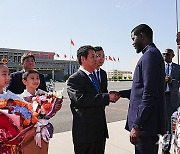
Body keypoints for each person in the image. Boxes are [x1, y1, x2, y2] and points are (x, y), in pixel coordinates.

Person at [117, 24, 166, 154]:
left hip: (146, 127)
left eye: (133, 39)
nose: (132, 43)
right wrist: (120, 94)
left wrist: (137, 124)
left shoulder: (150, 56)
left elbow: (149, 94)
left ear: (142, 36)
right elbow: (141, 89)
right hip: (148, 126)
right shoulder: (152, 54)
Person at [67, 45, 119, 154]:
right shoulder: (74, 79)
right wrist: (106, 97)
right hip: (85, 134)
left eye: (97, 56)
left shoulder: (96, 77)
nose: (96, 59)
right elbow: (81, 99)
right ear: (83, 59)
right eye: (93, 56)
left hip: (99, 131)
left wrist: (108, 98)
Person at [19, 69, 62, 154]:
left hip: (43, 133)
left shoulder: (44, 96)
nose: (36, 80)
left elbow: (47, 113)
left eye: (37, 78)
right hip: (28, 135)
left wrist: (55, 108)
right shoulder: (19, 99)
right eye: (32, 78)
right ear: (24, 81)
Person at [162, 48, 180, 154]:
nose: (165, 56)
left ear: (172, 56)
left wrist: (172, 81)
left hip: (174, 100)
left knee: (173, 126)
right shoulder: (158, 68)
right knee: (165, 126)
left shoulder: (178, 68)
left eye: (167, 54)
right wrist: (163, 81)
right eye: (163, 54)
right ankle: (165, 149)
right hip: (162, 99)